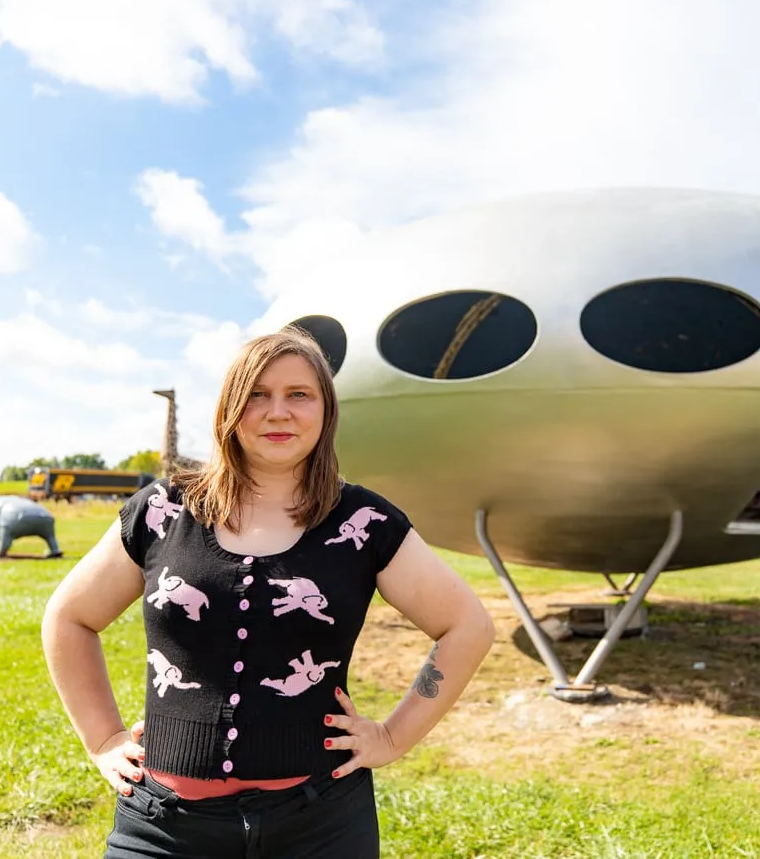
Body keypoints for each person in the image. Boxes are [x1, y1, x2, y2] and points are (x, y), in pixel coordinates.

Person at [41, 327, 497, 858]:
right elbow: (69, 618)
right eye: (257, 394)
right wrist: (103, 740)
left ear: (325, 411)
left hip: (320, 824)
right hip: (163, 826)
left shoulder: (365, 522)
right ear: (230, 409)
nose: (277, 412)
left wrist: (394, 737)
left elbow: (468, 627)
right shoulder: (164, 510)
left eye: (298, 395)